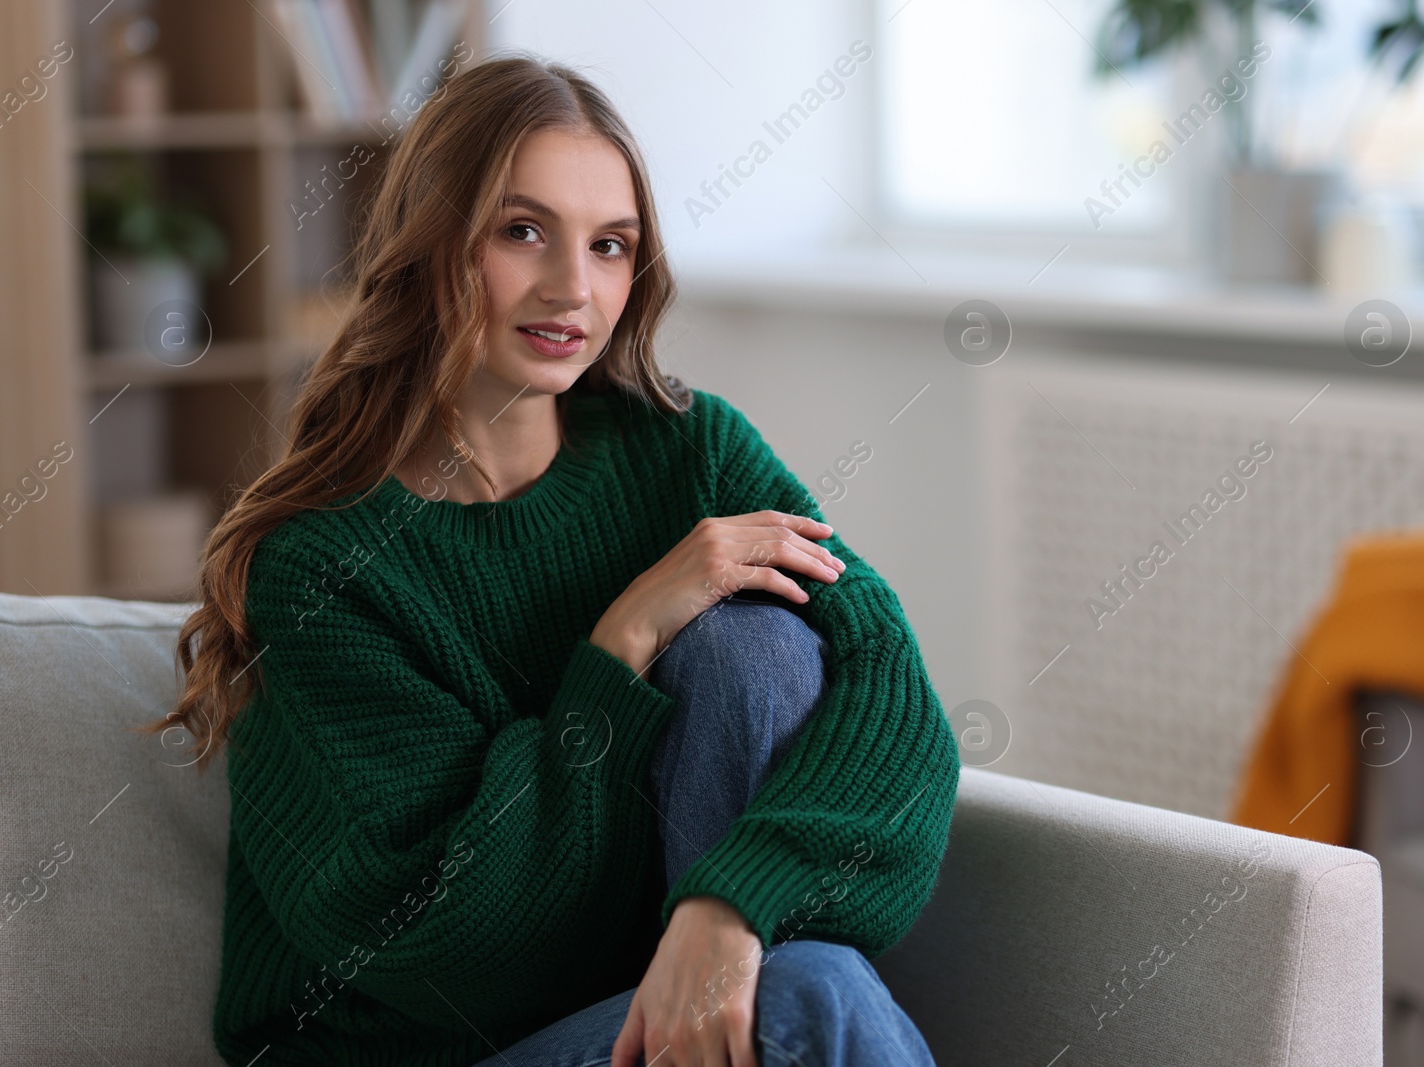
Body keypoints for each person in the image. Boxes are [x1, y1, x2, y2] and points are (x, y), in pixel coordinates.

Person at [141, 54, 960, 1067]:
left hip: (653, 1011)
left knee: (756, 640)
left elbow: (888, 681)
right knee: (814, 999)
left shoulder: (690, 451)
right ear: (435, 240)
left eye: (610, 245)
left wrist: (728, 903)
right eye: (522, 231)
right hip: (428, 1047)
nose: (573, 286)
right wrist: (624, 638)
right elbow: (455, 949)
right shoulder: (321, 565)